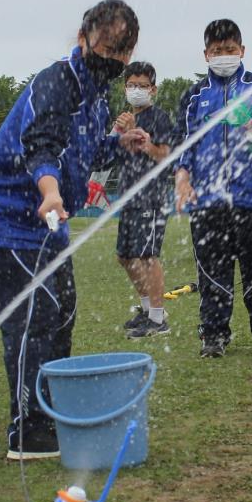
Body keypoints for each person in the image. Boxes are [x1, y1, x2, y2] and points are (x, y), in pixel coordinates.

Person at [0, 0, 139, 460]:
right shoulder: (56, 82)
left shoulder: (98, 95)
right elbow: (41, 146)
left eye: (124, 50)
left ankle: (51, 411)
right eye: (108, 45)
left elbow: (83, 155)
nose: (115, 58)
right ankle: (26, 429)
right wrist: (48, 190)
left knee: (61, 313)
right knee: (33, 319)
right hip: (7, 217)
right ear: (85, 37)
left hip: (49, 222)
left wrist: (118, 143)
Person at [175, 18, 252, 358]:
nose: (224, 56)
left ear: (242, 50)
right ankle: (213, 335)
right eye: (217, 51)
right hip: (208, 202)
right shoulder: (194, 96)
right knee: (212, 273)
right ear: (205, 54)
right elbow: (184, 145)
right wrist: (182, 177)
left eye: (230, 50)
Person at [109, 61, 178, 339]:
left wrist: (144, 141)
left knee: (148, 255)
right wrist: (117, 133)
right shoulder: (124, 118)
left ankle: (159, 319)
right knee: (125, 256)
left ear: (154, 89)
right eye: (131, 85)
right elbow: (110, 155)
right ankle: (148, 309)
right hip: (129, 196)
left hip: (152, 197)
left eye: (142, 85)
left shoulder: (159, 118)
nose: (136, 90)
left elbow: (167, 157)